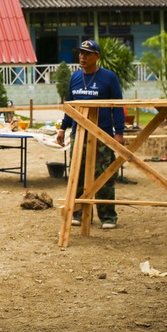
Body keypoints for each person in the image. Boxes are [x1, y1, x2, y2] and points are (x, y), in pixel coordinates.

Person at [55, 39, 125, 229]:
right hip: (79, 135)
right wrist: (63, 128)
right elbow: (71, 107)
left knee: (104, 174)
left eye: (87, 53)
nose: (82, 57)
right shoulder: (75, 78)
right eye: (81, 53)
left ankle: (108, 216)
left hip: (102, 135)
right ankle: (78, 212)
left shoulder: (108, 78)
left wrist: (119, 133)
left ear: (97, 56)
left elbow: (117, 107)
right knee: (77, 173)